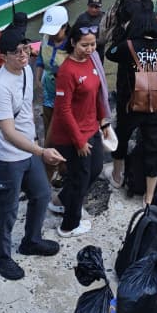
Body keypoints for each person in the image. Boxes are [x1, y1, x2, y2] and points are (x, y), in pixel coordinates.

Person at [0, 25, 63, 281]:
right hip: (7, 156)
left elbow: (27, 108)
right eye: (16, 52)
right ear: (3, 56)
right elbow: (7, 131)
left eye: (26, 49)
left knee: (41, 194)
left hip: (27, 148)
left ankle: (31, 240)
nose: (23, 55)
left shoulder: (27, 71)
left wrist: (34, 141)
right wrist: (40, 150)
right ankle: (2, 257)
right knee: (7, 209)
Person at [107, 20, 157, 203]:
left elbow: (110, 54)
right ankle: (148, 197)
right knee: (153, 150)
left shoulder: (128, 46)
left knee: (121, 139)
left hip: (132, 105)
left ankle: (117, 177)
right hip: (156, 107)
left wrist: (124, 34)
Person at [48, 26, 109, 237]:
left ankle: (61, 201)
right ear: (73, 43)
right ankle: (69, 226)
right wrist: (79, 141)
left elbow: (97, 93)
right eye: (85, 45)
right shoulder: (67, 71)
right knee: (79, 178)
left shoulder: (93, 61)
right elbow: (63, 110)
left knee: (95, 168)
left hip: (91, 127)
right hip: (71, 135)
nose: (89, 49)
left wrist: (104, 123)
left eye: (93, 44)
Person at [34, 4, 71, 145]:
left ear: (65, 26)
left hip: (65, 92)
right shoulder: (45, 38)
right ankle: (49, 152)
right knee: (48, 123)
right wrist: (38, 78)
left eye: (56, 31)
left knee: (63, 125)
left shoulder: (72, 45)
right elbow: (40, 59)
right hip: (48, 90)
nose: (52, 34)